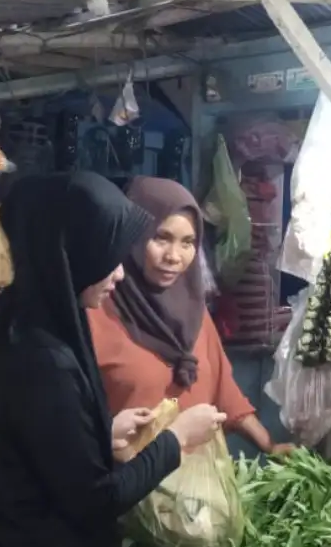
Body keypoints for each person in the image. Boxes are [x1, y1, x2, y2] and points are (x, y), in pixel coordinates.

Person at [0, 172, 225, 547]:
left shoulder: (22, 333)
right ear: (68, 252)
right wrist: (173, 441)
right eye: (107, 256)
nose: (119, 274)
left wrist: (98, 433)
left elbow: (36, 450)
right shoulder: (42, 360)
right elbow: (94, 499)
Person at [88, 175, 293, 458]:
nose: (174, 256)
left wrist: (269, 446)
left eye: (187, 243)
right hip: (130, 490)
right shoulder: (95, 314)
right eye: (161, 238)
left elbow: (225, 391)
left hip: (200, 488)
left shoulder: (193, 314)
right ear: (131, 235)